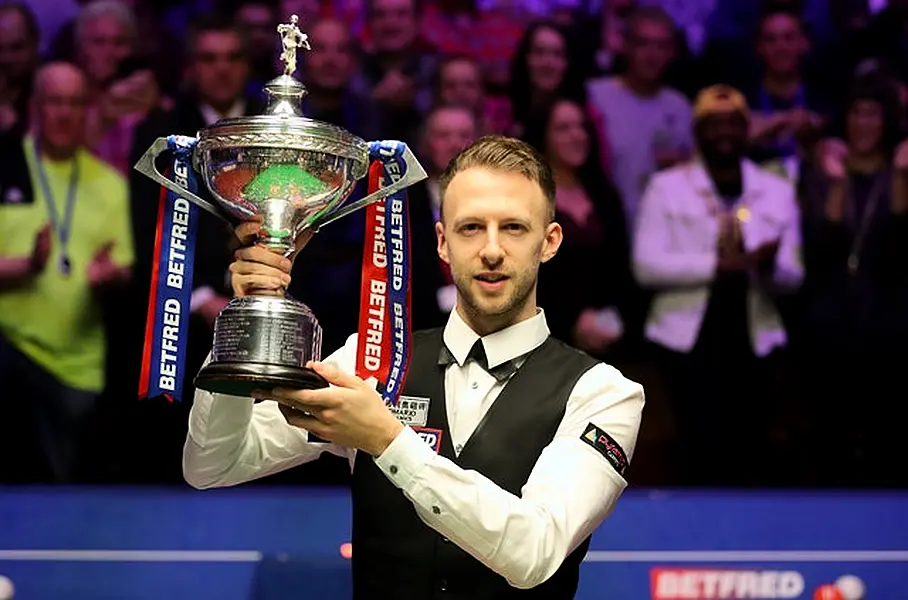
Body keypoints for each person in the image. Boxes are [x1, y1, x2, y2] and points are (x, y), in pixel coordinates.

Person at [182, 136, 644, 598]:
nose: (491, 249)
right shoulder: (370, 361)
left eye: (514, 228)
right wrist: (244, 319)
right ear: (442, 243)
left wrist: (387, 440)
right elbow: (213, 464)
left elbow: (533, 551)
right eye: (470, 228)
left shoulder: (604, 393)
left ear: (550, 241)